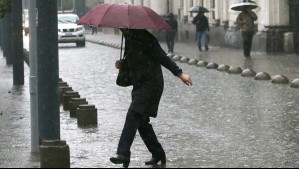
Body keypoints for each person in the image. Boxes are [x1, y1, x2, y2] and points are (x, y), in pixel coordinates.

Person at [110, 29, 192, 168]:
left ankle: (123, 153)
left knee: (133, 115)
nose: (121, 30)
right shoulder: (129, 39)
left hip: (151, 84)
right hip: (139, 85)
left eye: (123, 28)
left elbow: (162, 57)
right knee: (141, 121)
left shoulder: (146, 38)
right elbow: (135, 61)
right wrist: (123, 64)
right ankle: (157, 152)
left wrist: (179, 73)